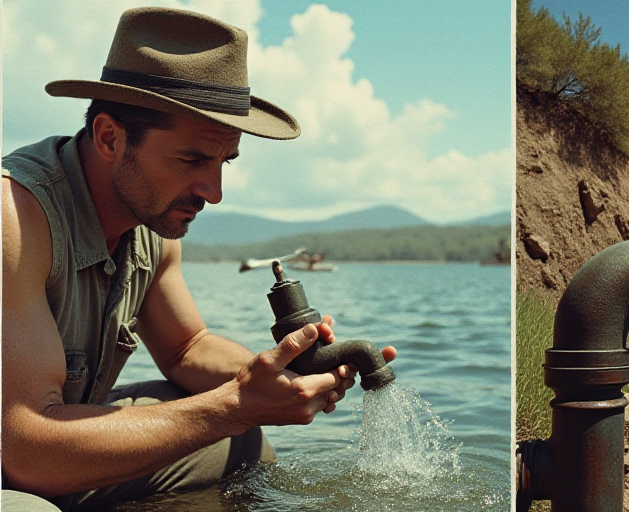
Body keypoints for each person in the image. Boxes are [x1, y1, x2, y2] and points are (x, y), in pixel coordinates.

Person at [1, 7, 396, 511]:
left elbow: (187, 349)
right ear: (109, 137)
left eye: (222, 161)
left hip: (42, 461)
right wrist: (235, 404)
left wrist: (276, 377)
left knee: (240, 444)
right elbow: (28, 455)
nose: (214, 192)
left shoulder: (153, 220)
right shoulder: (14, 219)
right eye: (191, 160)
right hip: (21, 468)